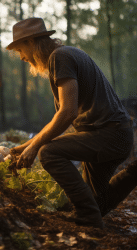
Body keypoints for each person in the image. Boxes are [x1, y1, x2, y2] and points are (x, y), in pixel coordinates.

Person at [7, 17, 136, 229]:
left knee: (48, 152)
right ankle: (132, 175)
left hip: (108, 135)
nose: (21, 57)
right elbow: (62, 119)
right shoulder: (64, 56)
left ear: (31, 42)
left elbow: (67, 113)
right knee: (98, 203)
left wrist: (36, 146)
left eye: (20, 50)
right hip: (111, 134)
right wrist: (25, 147)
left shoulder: (61, 57)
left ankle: (88, 218)